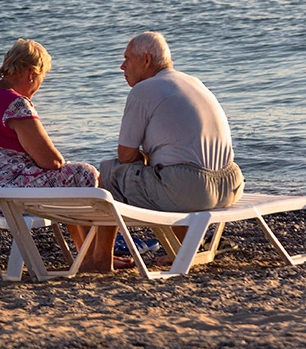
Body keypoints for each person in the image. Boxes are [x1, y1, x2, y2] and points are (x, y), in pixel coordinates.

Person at [85, 31, 244, 271]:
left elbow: (125, 155)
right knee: (164, 171)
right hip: (231, 185)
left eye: (127, 59)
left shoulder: (144, 90)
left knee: (110, 172)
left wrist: (141, 158)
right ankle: (180, 249)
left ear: (146, 61)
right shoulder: (192, 81)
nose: (122, 66)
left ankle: (100, 259)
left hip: (191, 189)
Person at [0, 39, 99, 217]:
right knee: (83, 173)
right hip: (0, 199)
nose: (39, 86)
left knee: (65, 179)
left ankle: (83, 244)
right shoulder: (15, 103)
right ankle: (93, 244)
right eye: (42, 78)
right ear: (32, 73)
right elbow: (51, 161)